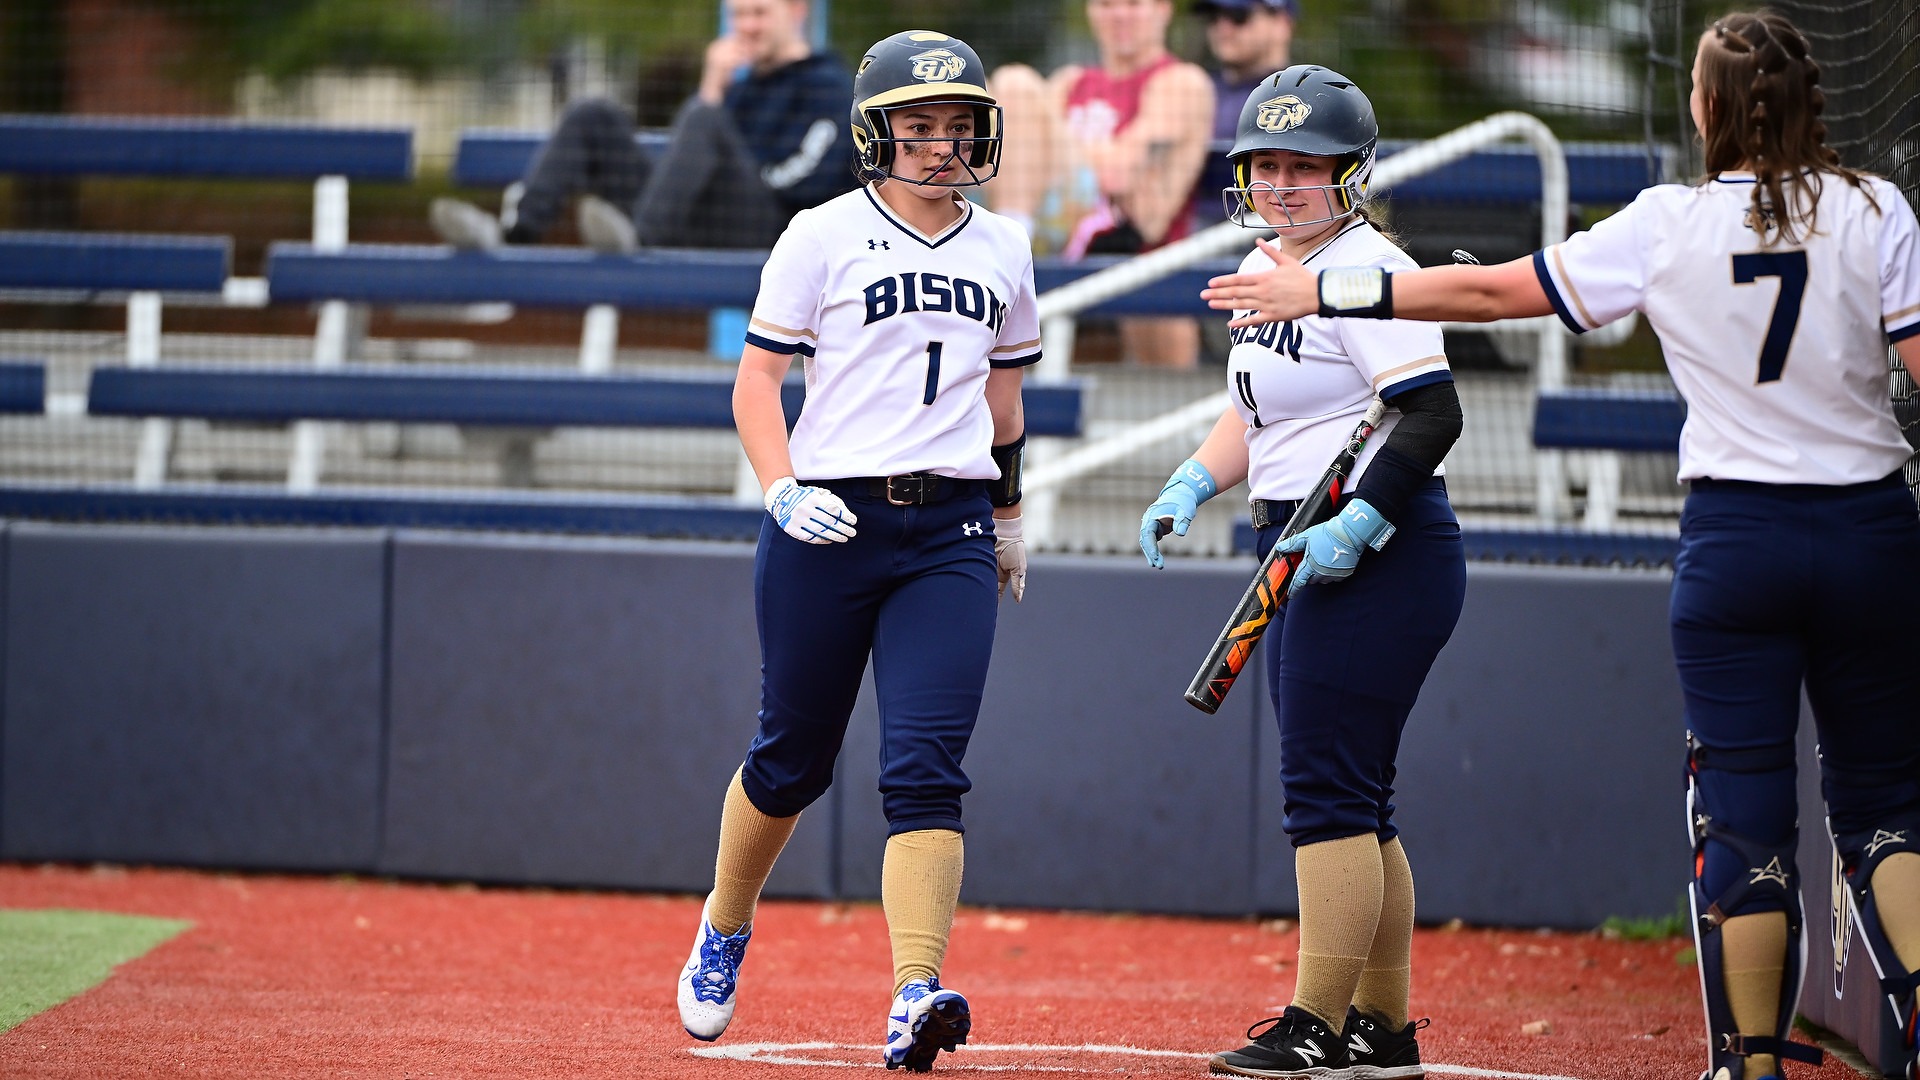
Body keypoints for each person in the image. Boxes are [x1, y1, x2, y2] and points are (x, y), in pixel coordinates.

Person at [1204, 13, 1920, 1080]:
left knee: (1747, 820)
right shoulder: (1878, 208)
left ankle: (1753, 1064)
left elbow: (1496, 293)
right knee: (1887, 816)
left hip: (1736, 535)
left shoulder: (1669, 220)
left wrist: (1333, 287)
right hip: (1868, 525)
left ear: (1708, 109)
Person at [673, 29, 1040, 1075]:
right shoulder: (820, 235)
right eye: (917, 127)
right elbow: (755, 385)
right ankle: (725, 925)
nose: (939, 145)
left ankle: (913, 992)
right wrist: (783, 488)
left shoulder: (1004, 248)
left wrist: (1009, 516)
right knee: (791, 761)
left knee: (926, 770)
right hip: (828, 525)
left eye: (957, 126)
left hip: (952, 531)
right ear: (876, 133)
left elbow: (1005, 404)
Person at [1140, 64, 1464, 1079]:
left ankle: (1315, 1025)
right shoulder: (1267, 266)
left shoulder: (1370, 270)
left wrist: (1362, 521)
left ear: (1350, 174)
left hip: (1380, 552)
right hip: (1296, 541)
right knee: (1358, 800)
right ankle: (1384, 1028)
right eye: (1267, 165)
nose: (1284, 185)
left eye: (1306, 168)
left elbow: (1433, 410)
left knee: (1325, 794)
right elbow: (1255, 412)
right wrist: (1194, 480)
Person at [430, 0, 854, 253]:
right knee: (592, 114)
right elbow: (692, 160)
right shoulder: (738, 89)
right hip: (696, 224)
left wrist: (709, 108)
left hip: (774, 236)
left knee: (702, 117)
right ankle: (512, 237)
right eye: (738, 14)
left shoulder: (830, 88)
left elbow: (803, 186)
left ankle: (639, 239)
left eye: (759, 13)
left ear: (797, 10)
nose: (746, 27)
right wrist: (712, 87)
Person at [985, 0, 1215, 369]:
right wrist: (1109, 151)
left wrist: (1044, 140)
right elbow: (999, 168)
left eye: (1133, 4)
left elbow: (1119, 176)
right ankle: (1013, 255)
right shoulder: (1070, 82)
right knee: (1011, 84)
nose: (1119, 15)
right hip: (1056, 240)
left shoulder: (1179, 82)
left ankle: (1014, 261)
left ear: (1163, 9)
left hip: (1144, 276)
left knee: (1018, 91)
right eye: (1107, 4)